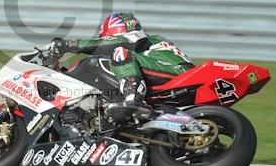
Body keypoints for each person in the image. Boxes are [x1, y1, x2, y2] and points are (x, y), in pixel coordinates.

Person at [50, 12, 194, 118]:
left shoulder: (138, 39)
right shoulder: (147, 44)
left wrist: (69, 45)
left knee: (120, 53)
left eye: (106, 38)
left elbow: (112, 44)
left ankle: (133, 99)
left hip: (180, 74)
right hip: (174, 76)